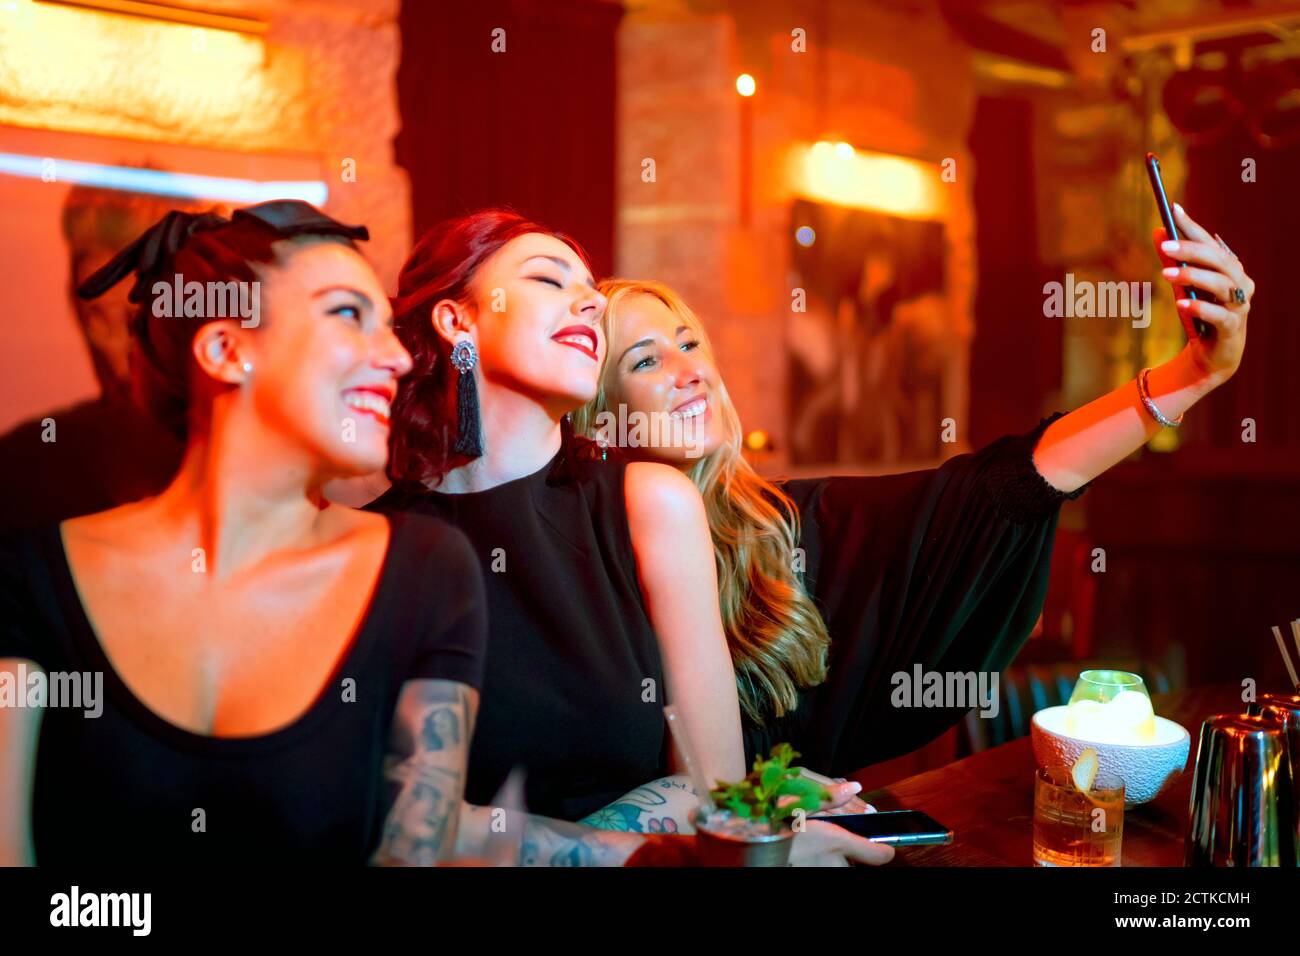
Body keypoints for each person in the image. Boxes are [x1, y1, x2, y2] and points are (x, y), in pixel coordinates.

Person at [573, 203, 1254, 778]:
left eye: (691, 344)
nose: (689, 370)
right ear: (596, 412)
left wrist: (1191, 375)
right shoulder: (571, 567)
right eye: (646, 359)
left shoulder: (788, 528)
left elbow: (1003, 489)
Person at [368, 209, 891, 865]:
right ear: (458, 321)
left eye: (588, 289)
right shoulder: (374, 546)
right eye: (549, 280)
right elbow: (400, 833)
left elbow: (714, 792)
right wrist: (653, 839)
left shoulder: (648, 503)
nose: (589, 301)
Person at [0, 200, 487, 866]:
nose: (398, 357)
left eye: (390, 327)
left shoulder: (425, 571)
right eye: (348, 313)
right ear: (227, 350)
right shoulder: (26, 580)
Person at [0, 183, 197, 530]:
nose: (116, 353)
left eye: (137, 322)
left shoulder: (250, 464)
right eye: (97, 318)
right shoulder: (25, 462)